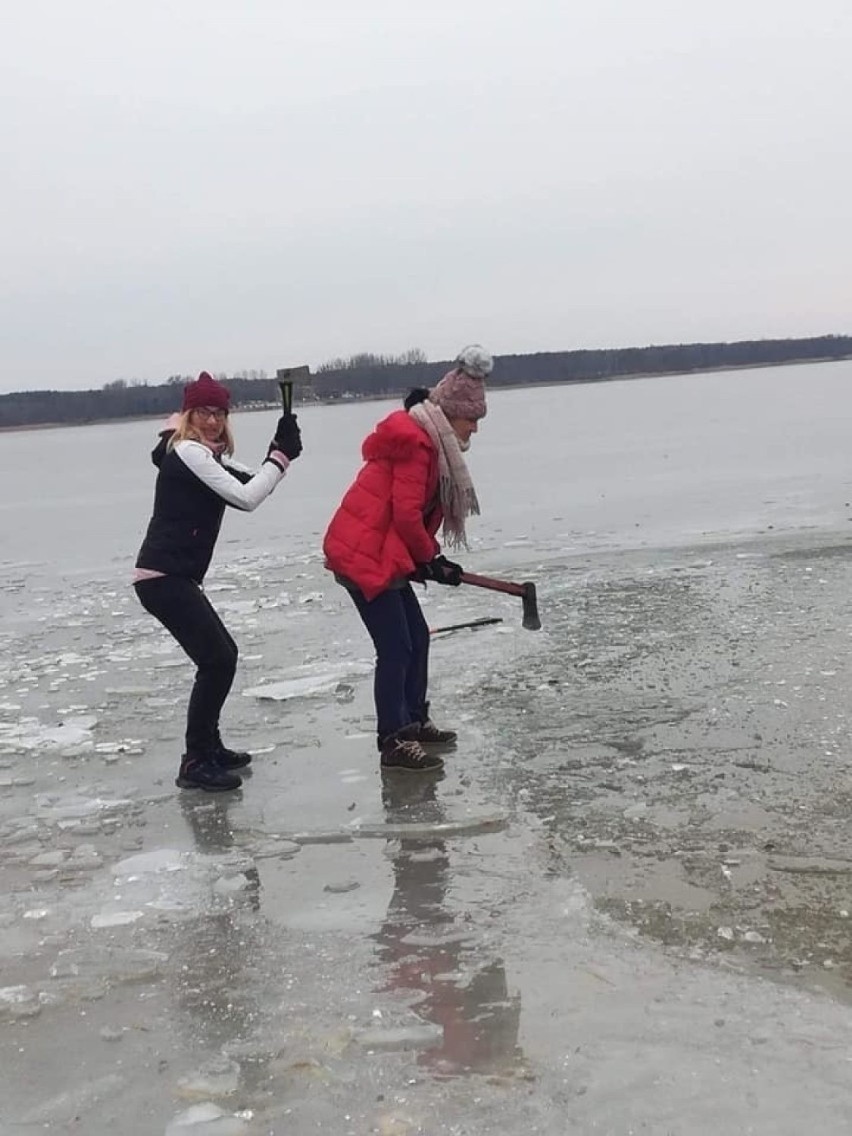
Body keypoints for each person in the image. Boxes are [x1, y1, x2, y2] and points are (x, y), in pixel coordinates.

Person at [323, 345, 491, 773]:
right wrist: (430, 557)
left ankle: (413, 720)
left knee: (416, 636)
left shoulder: (431, 442)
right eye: (472, 418)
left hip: (385, 550)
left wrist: (428, 560)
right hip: (364, 553)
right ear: (452, 414)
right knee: (396, 646)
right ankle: (393, 739)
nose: (475, 427)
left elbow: (406, 519)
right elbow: (404, 512)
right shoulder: (418, 444)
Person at [134, 371, 302, 792]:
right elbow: (247, 499)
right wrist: (279, 458)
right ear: (190, 415)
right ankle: (195, 761)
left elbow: (248, 481)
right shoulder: (190, 452)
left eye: (220, 413)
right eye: (204, 412)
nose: (213, 420)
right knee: (217, 661)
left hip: (175, 576)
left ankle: (208, 747)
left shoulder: (204, 456)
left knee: (222, 655)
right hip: (162, 576)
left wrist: (279, 452)